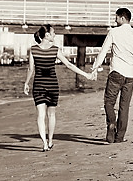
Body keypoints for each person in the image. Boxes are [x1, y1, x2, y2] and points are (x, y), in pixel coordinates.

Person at [23, 24, 95, 152]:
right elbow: (68, 65)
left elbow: (30, 69)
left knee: (40, 115)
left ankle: (44, 143)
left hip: (38, 85)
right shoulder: (55, 50)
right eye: (53, 32)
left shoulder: (33, 50)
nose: (55, 35)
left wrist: (26, 83)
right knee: (51, 114)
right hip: (52, 85)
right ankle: (50, 140)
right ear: (47, 35)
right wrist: (86, 75)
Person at [90, 7, 133, 144]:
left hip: (116, 72)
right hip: (130, 75)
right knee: (124, 106)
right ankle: (120, 136)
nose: (114, 20)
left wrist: (95, 67)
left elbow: (103, 51)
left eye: (116, 17)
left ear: (122, 18)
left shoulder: (113, 32)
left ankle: (111, 123)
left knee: (109, 102)